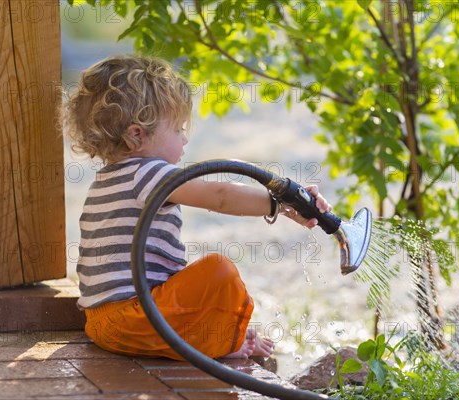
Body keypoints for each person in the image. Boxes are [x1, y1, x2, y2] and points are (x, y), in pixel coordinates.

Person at [61, 54, 331, 360]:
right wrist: (280, 203)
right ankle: (226, 342)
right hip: (136, 317)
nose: (186, 139)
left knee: (190, 282)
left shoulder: (106, 181)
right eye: (177, 130)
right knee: (219, 271)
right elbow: (219, 196)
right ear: (137, 135)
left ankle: (222, 336)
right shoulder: (148, 173)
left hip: (101, 325)